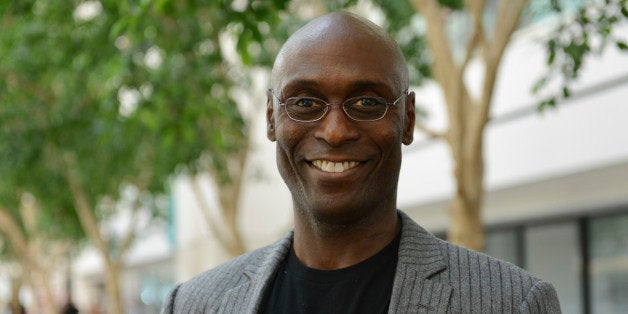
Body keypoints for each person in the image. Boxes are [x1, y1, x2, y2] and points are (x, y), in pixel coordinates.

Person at [161, 12, 561, 313]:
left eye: (367, 102)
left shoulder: (512, 302)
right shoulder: (193, 304)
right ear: (271, 118)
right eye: (305, 103)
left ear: (408, 119)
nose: (335, 131)